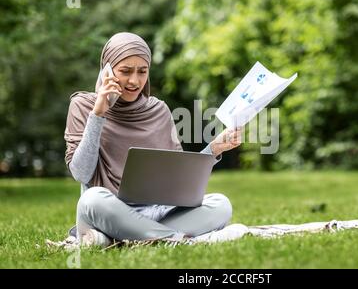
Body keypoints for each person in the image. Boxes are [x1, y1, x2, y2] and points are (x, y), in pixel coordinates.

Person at [64, 32, 241, 247]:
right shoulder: (83, 105)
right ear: (107, 71)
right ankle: (180, 240)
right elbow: (81, 172)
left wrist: (213, 150)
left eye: (142, 71)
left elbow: (177, 178)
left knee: (221, 204)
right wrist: (98, 114)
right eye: (125, 71)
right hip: (108, 213)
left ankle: (126, 239)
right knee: (92, 199)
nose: (134, 80)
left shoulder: (158, 110)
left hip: (158, 212)